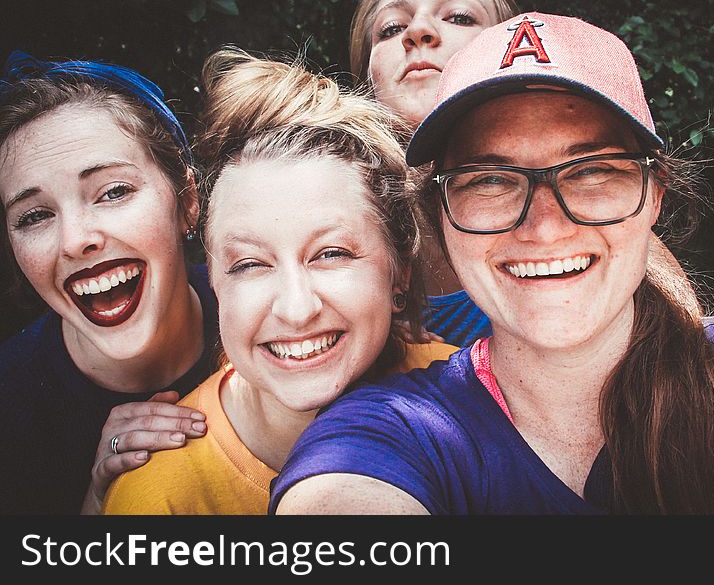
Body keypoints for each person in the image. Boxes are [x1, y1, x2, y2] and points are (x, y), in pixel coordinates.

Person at [270, 12, 714, 515]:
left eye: (591, 171)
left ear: (656, 192)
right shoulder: (392, 433)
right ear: (440, 213)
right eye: (490, 179)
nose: (545, 224)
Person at [102, 48, 455, 514]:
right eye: (249, 264)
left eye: (331, 254)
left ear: (399, 273)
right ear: (215, 285)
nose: (296, 308)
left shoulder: (473, 397)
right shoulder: (158, 494)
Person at [350, 0, 701, 348]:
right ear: (366, 77)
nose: (418, 32)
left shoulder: (612, 234)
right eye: (391, 28)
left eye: (459, 16)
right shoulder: (337, 222)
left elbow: (692, 358)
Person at [0, 52, 215, 514]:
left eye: (113, 191)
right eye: (34, 216)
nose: (76, 241)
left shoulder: (272, 313)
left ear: (188, 201)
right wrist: (100, 506)